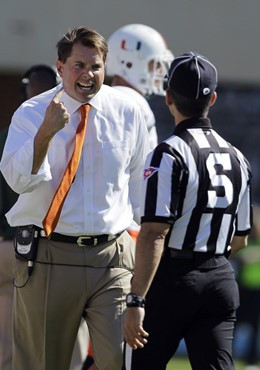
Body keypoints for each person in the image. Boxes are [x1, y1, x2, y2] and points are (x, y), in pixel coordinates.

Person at [0, 26, 149, 370]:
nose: (88, 75)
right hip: (51, 254)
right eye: (78, 66)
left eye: (95, 67)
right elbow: (17, 180)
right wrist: (46, 134)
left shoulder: (128, 111)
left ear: (106, 69)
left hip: (112, 258)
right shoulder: (32, 113)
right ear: (60, 67)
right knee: (44, 362)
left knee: (122, 360)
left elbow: (139, 183)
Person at [123, 52, 253, 370]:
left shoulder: (169, 153)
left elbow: (154, 232)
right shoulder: (238, 157)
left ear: (168, 97)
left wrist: (136, 299)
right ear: (214, 99)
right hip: (220, 278)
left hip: (173, 279)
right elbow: (241, 239)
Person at [0, 64, 59, 370]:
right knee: (57, 330)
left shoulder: (6, 136)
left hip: (7, 243)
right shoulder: (61, 135)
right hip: (46, 244)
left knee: (7, 337)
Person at [106, 23, 174, 150]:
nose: (160, 72)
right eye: (156, 64)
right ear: (129, 64)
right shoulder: (136, 104)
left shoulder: (102, 98)